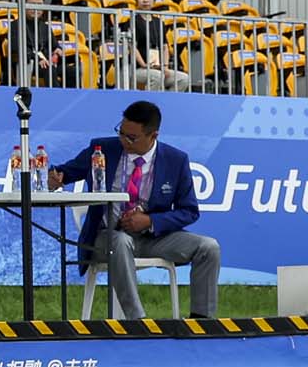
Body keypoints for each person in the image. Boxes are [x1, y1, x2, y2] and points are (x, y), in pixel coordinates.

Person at [48, 99, 220, 319]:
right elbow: (64, 172)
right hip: (107, 237)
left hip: (153, 238)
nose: (124, 141)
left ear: (153, 136)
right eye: (121, 132)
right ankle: (137, 320)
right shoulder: (103, 149)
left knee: (209, 247)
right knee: (120, 241)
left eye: (131, 137)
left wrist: (150, 221)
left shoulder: (176, 160)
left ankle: (202, 320)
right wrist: (56, 178)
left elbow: (189, 211)